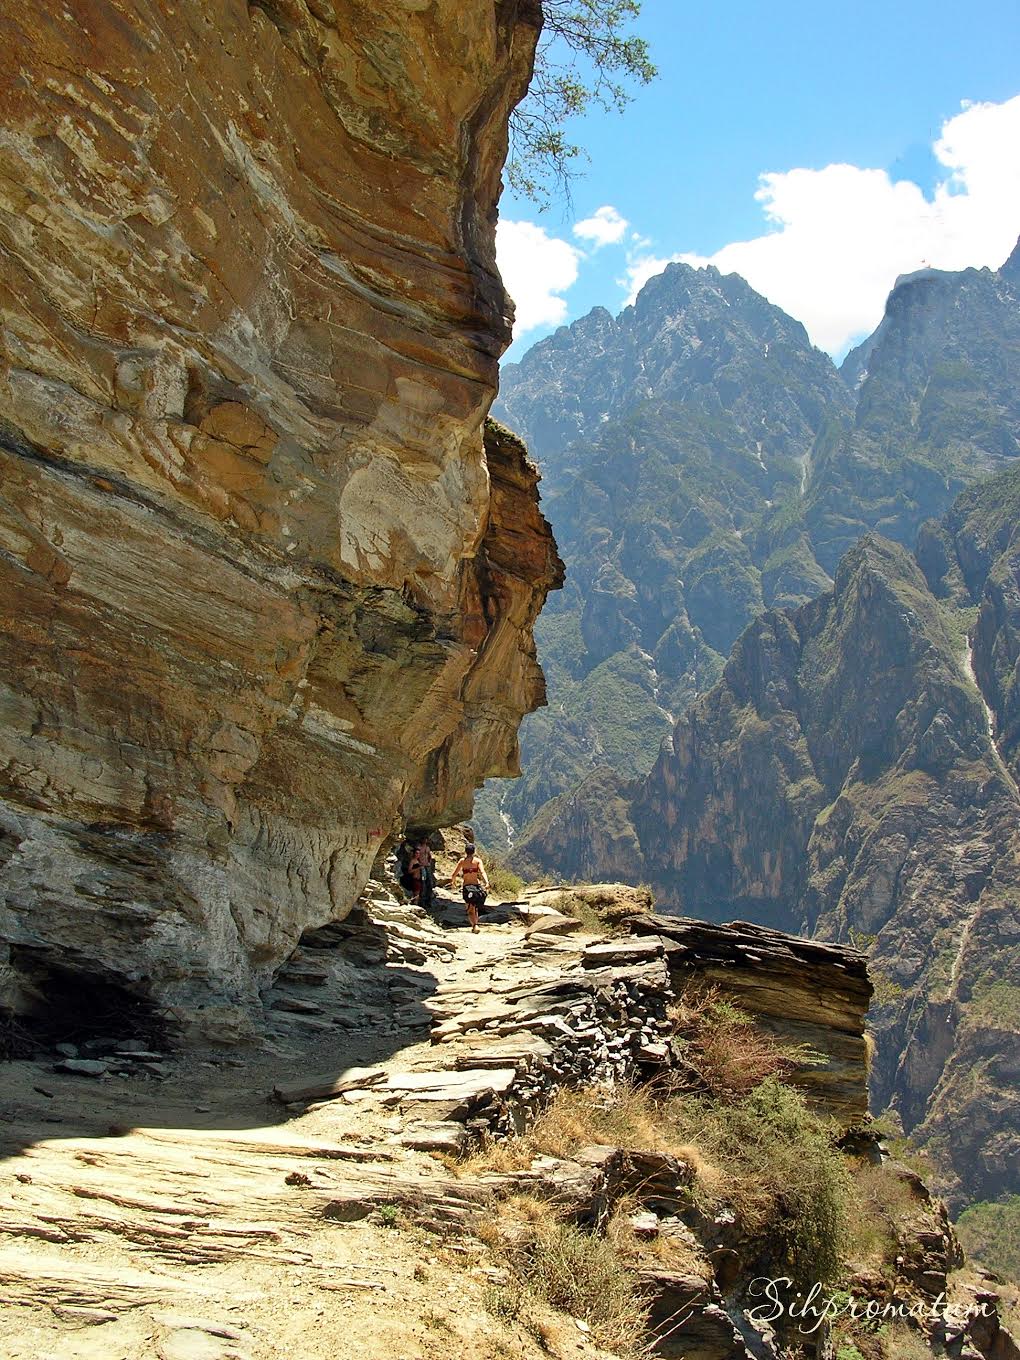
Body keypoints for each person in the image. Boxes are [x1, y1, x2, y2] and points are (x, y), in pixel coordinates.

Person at [449, 843, 489, 933]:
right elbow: (483, 872)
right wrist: (487, 882)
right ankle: (475, 924)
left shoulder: (462, 861)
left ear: (465, 851)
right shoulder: (478, 861)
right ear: (474, 851)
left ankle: (475, 925)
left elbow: (454, 874)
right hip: (476, 886)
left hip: (467, 887)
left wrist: (453, 882)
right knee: (475, 907)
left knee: (469, 908)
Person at [414, 837, 435, 910]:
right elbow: (416, 856)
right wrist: (419, 864)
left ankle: (428, 901)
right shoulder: (419, 847)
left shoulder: (427, 848)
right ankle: (421, 901)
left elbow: (429, 856)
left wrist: (429, 862)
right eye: (424, 839)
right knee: (422, 884)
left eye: (426, 839)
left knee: (429, 883)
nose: (425, 840)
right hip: (421, 867)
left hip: (427, 866)